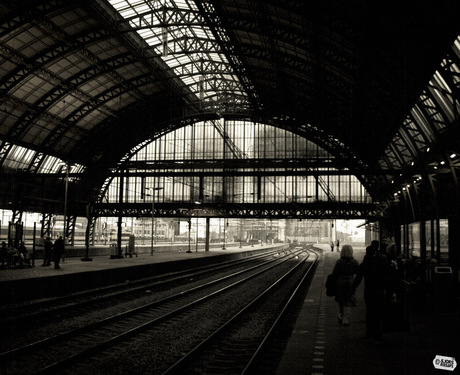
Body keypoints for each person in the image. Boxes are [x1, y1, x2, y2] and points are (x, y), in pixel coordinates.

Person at [352, 244, 389, 344]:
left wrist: (353, 288)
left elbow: (359, 275)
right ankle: (377, 335)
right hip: (379, 291)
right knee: (378, 313)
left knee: (370, 312)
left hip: (369, 291)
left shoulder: (366, 261)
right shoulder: (382, 260)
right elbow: (386, 276)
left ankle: (369, 333)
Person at [332, 244, 359, 326]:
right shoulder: (354, 262)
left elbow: (334, 273)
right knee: (348, 300)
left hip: (340, 282)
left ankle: (340, 314)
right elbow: (358, 272)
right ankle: (346, 318)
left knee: (340, 299)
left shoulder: (339, 262)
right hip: (350, 282)